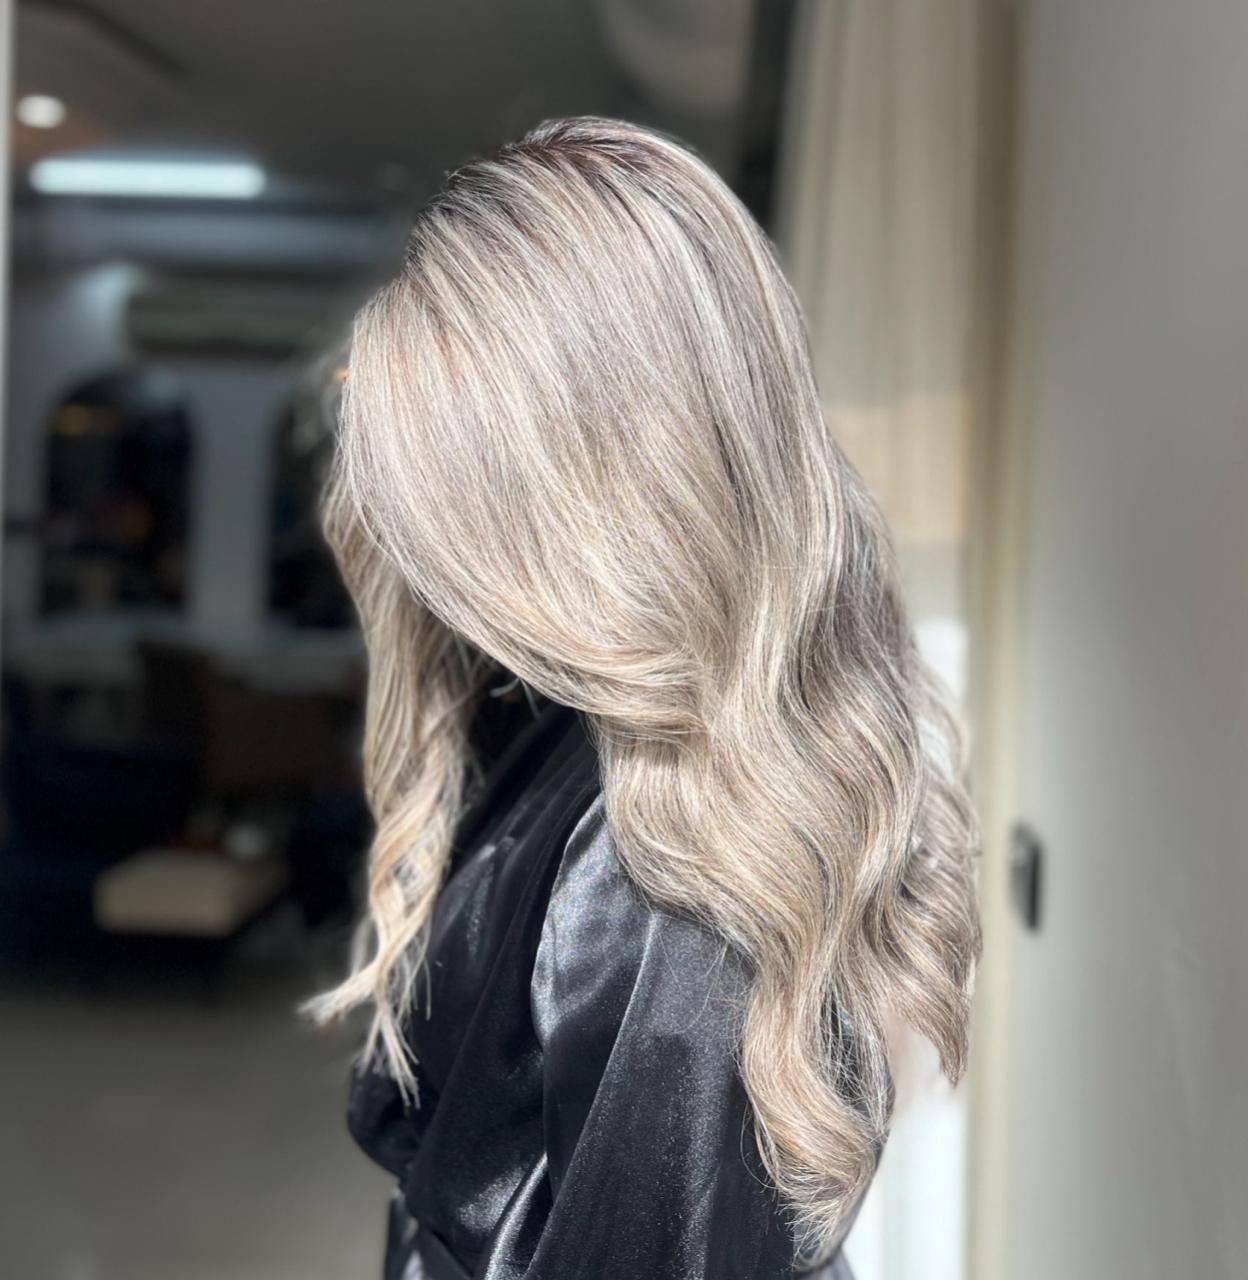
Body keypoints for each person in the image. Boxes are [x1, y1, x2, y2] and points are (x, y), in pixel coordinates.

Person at [308, 117, 980, 1280]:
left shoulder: (659, 884)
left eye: (453, 503)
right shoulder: (568, 726)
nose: (419, 551)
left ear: (584, 495)